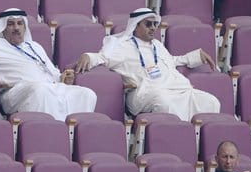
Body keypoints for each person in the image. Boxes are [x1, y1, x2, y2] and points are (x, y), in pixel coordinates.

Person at [74, 8, 220, 121]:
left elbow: (170, 62)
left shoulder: (157, 44)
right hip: (145, 93)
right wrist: (88, 56)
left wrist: (196, 57)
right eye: (148, 24)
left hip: (176, 89)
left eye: (155, 24)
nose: (153, 28)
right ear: (135, 26)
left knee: (211, 102)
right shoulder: (122, 46)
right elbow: (103, 57)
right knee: (165, 104)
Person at [0, 8, 96, 121]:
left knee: (87, 94)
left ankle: (70, 136)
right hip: (14, 93)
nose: (16, 28)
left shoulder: (35, 46)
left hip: (49, 87)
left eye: (20, 23)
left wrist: (63, 78)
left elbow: (52, 72)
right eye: (11, 24)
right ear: (3, 28)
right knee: (39, 89)